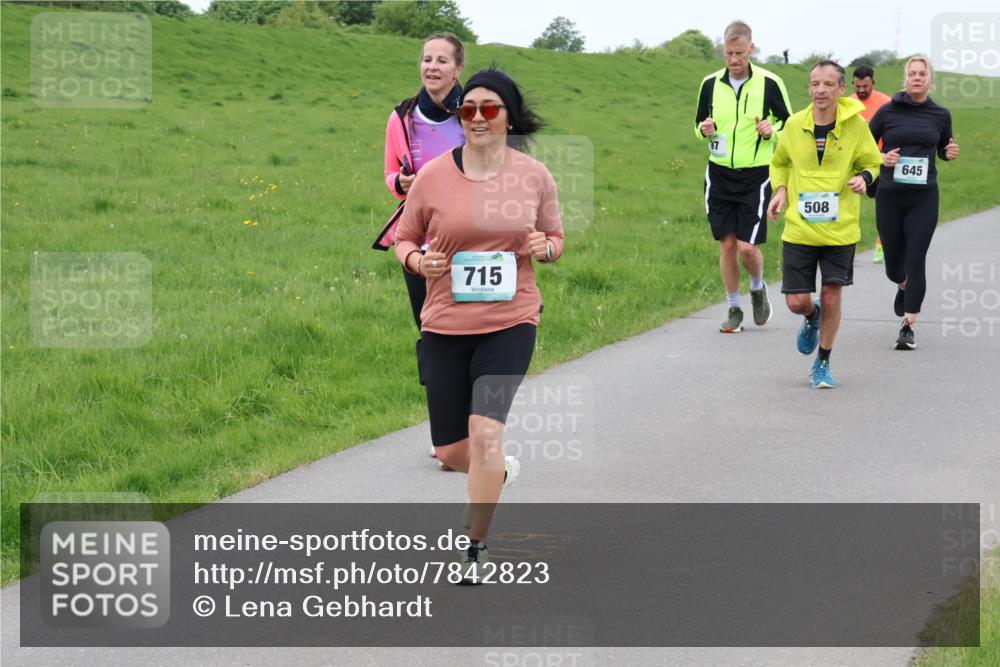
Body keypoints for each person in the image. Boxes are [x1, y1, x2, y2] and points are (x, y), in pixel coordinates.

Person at [394, 68, 563, 581]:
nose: (478, 117)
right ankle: (499, 474)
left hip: (510, 321)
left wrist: (546, 248)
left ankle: (476, 547)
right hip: (445, 322)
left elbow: (555, 238)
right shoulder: (433, 177)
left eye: (490, 108)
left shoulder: (534, 175)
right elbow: (404, 240)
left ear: (508, 117)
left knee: (486, 432)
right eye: (469, 108)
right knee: (451, 449)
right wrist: (419, 264)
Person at [375, 33, 466, 467]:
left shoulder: (476, 112)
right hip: (421, 246)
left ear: (458, 69)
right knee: (432, 338)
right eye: (427, 59)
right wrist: (403, 184)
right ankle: (445, 435)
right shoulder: (402, 117)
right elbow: (391, 174)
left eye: (442, 60)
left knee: (471, 338)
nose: (432, 66)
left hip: (472, 245)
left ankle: (472, 427)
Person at [767, 60, 882, 388]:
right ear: (809, 89)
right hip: (800, 228)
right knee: (796, 301)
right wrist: (780, 191)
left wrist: (864, 178)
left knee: (832, 295)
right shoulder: (793, 124)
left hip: (840, 228)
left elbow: (872, 161)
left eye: (828, 84)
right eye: (815, 83)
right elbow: (781, 163)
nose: (820, 89)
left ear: (841, 89)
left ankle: (823, 362)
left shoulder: (856, 125)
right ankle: (811, 316)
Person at [694, 20, 793, 333]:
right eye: (728, 53)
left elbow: (789, 126)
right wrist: (703, 130)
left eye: (739, 53)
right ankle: (734, 307)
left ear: (751, 48)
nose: (734, 60)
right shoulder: (710, 84)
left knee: (747, 248)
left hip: (756, 175)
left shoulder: (770, 82)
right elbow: (698, 126)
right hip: (719, 173)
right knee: (726, 246)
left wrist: (771, 130)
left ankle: (758, 288)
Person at [869, 56, 959, 350]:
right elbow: (864, 147)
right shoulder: (887, 111)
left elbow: (944, 147)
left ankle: (908, 326)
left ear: (930, 80)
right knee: (895, 267)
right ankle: (902, 284)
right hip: (890, 194)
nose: (917, 78)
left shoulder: (940, 114)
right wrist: (881, 158)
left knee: (916, 257)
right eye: (912, 73)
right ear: (905, 78)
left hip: (923, 196)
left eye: (922, 74)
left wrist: (949, 152)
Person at [849, 65, 893, 263]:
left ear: (873, 83)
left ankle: (882, 242)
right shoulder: (847, 104)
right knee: (847, 205)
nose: (861, 90)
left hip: (879, 160)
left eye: (865, 86)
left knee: (883, 205)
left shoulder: (886, 103)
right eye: (858, 86)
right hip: (853, 161)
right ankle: (846, 248)